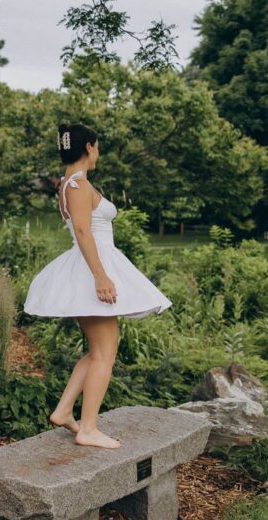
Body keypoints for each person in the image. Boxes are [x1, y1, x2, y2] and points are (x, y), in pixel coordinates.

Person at [25, 122, 171, 449]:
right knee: (106, 352)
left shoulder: (70, 182)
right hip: (91, 267)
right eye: (97, 146)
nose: (98, 153)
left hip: (89, 265)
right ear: (89, 147)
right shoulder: (76, 184)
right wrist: (101, 276)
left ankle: (64, 411)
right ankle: (88, 428)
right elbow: (82, 231)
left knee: (97, 350)